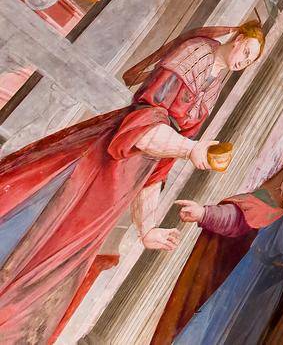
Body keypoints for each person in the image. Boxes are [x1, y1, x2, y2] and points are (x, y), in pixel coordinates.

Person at [0, 22, 262, 342]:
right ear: (236, 38)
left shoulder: (214, 84)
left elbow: (157, 168)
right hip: (100, 166)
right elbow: (141, 124)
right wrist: (190, 149)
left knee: (59, 268)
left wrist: (147, 228)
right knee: (37, 236)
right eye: (246, 51)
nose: (244, 62)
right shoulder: (195, 53)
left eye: (251, 61)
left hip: (120, 186)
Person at [154, 92, 283, 345]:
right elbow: (250, 210)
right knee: (203, 327)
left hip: (266, 282)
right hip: (245, 266)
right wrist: (205, 213)